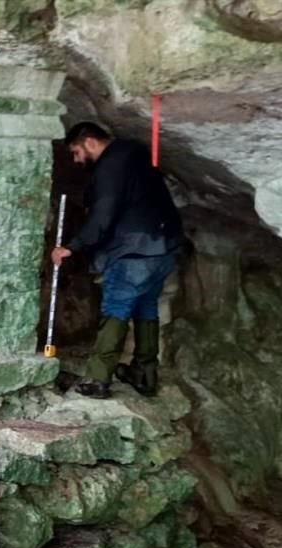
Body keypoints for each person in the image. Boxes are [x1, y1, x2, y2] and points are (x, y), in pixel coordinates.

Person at [51, 122, 184, 399]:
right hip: (164, 249)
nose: (76, 160)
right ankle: (145, 374)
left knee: (116, 307)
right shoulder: (136, 157)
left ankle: (99, 379)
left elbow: (103, 215)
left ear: (89, 142)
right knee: (146, 306)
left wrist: (71, 247)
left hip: (134, 250)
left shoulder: (110, 166)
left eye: (76, 152)